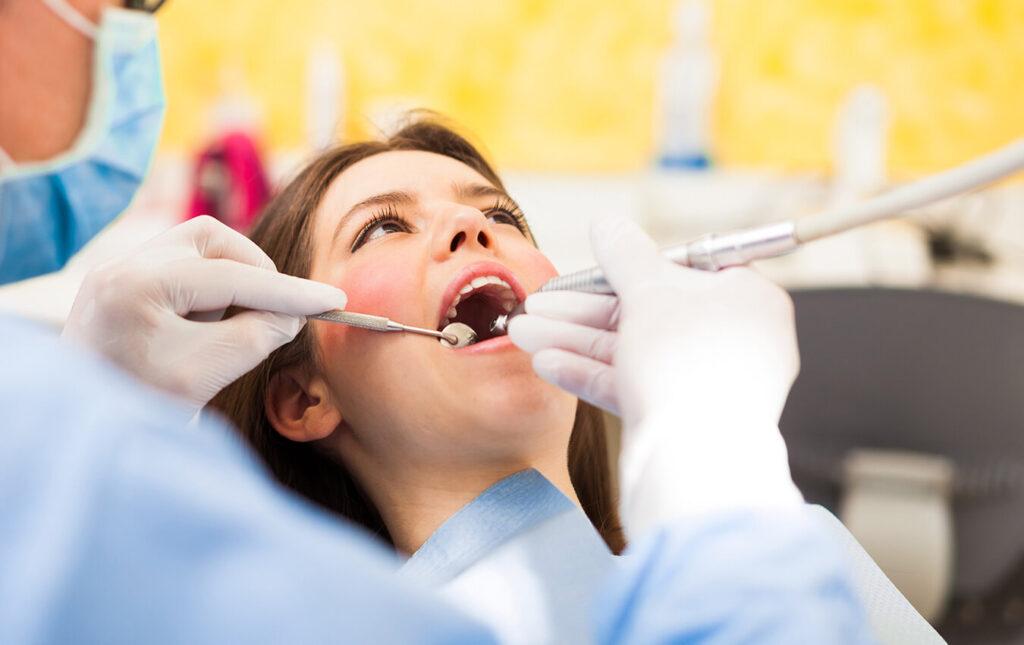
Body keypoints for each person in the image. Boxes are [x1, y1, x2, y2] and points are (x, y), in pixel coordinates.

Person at [0, 0, 878, 643]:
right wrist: (713, 456)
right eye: (383, 225)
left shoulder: (784, 550)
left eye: (501, 214)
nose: (474, 228)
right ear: (302, 396)